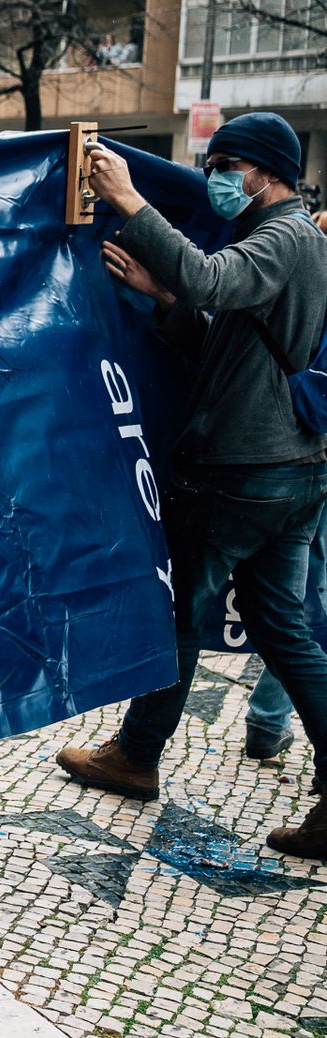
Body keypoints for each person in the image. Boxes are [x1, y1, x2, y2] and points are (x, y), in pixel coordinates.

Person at [60, 112, 327, 859]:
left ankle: (137, 755)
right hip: (287, 472)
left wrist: (131, 203)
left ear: (269, 170)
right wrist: (168, 301)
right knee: (283, 630)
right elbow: (234, 347)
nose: (216, 174)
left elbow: (211, 277)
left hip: (239, 473)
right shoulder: (284, 239)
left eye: (229, 162)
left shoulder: (284, 236)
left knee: (178, 610)